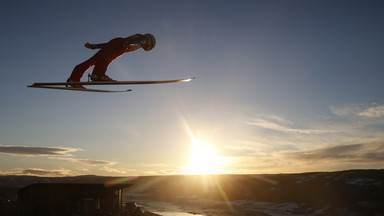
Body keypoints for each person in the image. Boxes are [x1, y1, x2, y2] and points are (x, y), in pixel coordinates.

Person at [67, 33, 156, 87]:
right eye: (148, 47)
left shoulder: (134, 38)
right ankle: (97, 75)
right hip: (121, 45)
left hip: (116, 43)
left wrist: (96, 46)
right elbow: (139, 41)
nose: (145, 48)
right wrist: (127, 43)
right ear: (149, 42)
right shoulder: (142, 38)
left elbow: (109, 44)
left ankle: (93, 75)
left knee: (98, 59)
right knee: (106, 59)